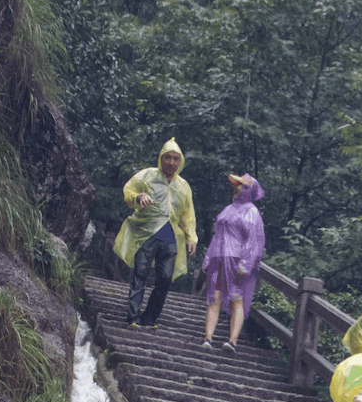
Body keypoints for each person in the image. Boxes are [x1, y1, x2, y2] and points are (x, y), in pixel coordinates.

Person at [113, 139, 197, 329]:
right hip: (147, 231)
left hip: (170, 234)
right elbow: (129, 189)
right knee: (140, 273)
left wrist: (191, 237)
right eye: (168, 157)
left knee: (165, 277)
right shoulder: (147, 176)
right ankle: (133, 317)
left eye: (176, 158)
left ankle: (150, 317)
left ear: (180, 161)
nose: (171, 162)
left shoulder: (183, 186)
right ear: (161, 158)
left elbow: (188, 214)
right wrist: (139, 196)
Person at [202, 173, 266, 353]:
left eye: (239, 184)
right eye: (235, 184)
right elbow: (217, 236)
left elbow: (254, 240)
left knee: (236, 298)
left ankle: (232, 341)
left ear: (248, 189)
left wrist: (246, 264)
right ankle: (208, 338)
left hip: (237, 259)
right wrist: (208, 258)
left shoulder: (251, 211)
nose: (235, 187)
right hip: (219, 257)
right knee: (214, 298)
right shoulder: (227, 209)